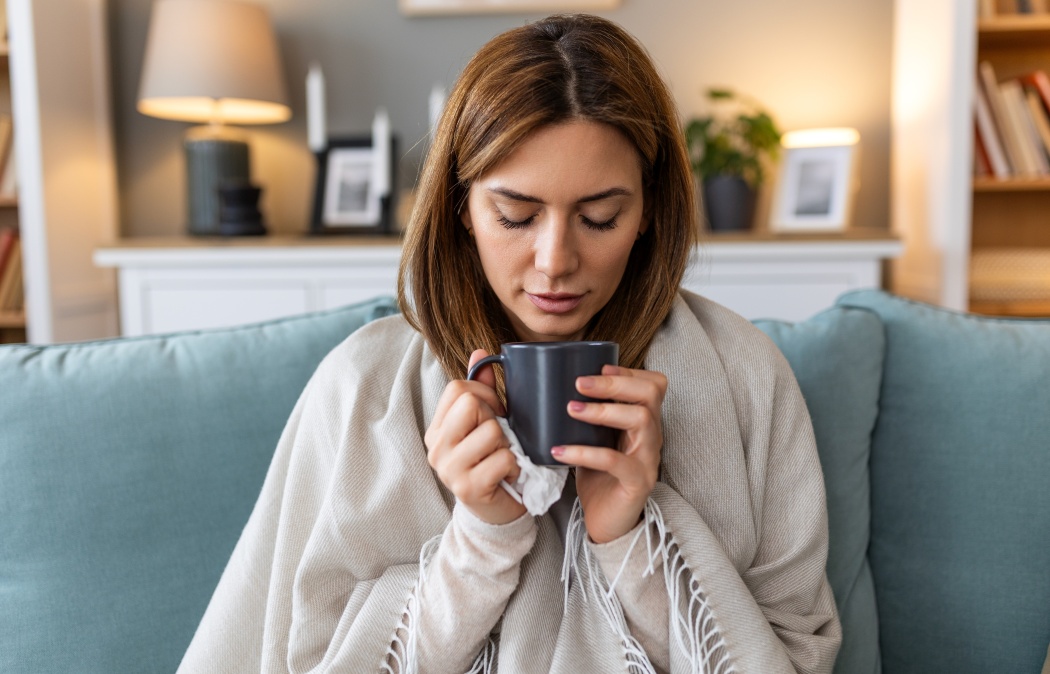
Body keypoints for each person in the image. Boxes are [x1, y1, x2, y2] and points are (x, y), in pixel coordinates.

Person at [178, 13, 841, 674]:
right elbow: (308, 657)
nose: (555, 260)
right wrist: (483, 536)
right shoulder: (361, 388)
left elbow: (794, 656)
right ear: (462, 207)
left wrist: (627, 538)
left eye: (600, 217)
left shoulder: (745, 377)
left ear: (648, 214)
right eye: (516, 216)